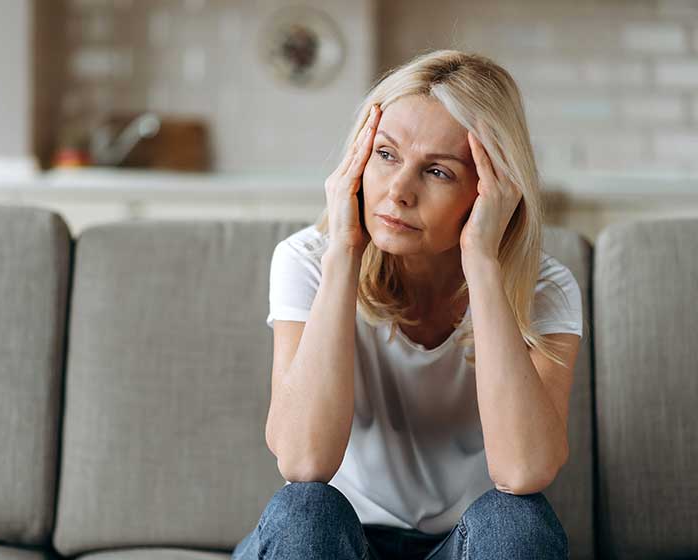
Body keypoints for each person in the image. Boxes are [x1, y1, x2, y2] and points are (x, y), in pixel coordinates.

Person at [232, 49, 582, 560]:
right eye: (386, 154)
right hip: (335, 545)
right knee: (304, 511)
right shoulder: (307, 261)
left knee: (519, 525)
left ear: (492, 191)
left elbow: (524, 473)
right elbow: (303, 463)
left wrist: (482, 264)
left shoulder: (544, 288)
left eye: (438, 172)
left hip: (461, 547)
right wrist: (345, 252)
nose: (398, 192)